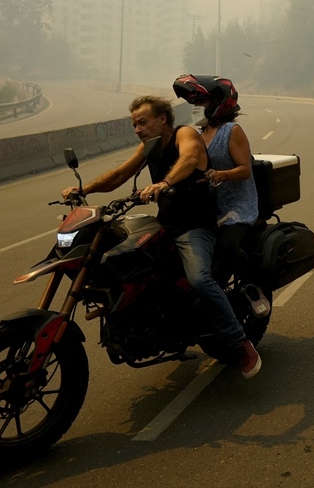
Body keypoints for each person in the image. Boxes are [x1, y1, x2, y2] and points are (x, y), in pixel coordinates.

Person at [60, 94, 261, 378]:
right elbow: (120, 174)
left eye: (142, 122)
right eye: (134, 125)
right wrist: (85, 190)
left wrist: (164, 182)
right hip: (165, 224)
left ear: (162, 119)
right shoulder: (150, 146)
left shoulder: (185, 134)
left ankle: (239, 342)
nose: (138, 129)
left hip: (194, 228)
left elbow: (190, 158)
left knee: (199, 279)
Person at [175, 75, 259, 262]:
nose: (196, 107)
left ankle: (255, 283)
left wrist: (221, 175)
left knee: (225, 249)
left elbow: (245, 170)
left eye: (201, 101)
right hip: (209, 209)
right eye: (194, 102)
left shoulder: (231, 131)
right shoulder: (197, 135)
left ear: (219, 103)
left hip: (236, 208)